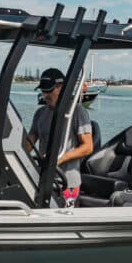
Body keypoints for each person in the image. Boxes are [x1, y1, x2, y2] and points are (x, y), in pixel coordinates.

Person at [26, 68, 93, 207]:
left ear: (61, 87)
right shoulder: (40, 113)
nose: (45, 95)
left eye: (49, 91)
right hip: (44, 179)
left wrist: (60, 158)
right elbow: (28, 143)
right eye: (43, 91)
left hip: (67, 183)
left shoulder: (77, 112)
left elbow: (88, 147)